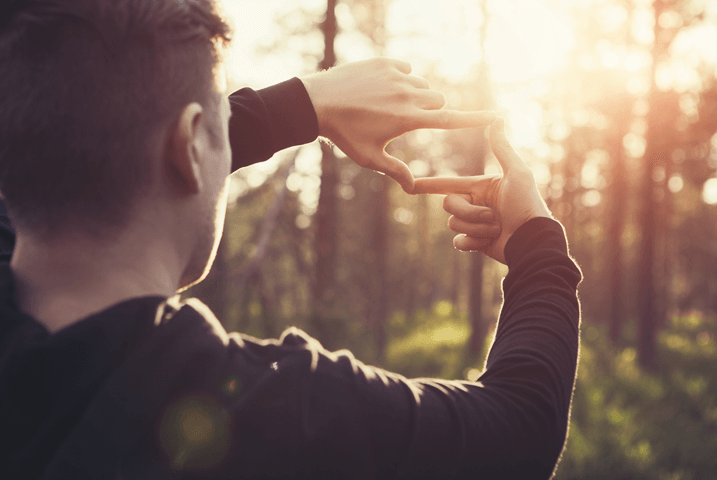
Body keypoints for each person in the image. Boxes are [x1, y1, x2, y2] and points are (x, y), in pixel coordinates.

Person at [0, 1, 581, 479]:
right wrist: (537, 249)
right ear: (191, 146)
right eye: (219, 132)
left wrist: (302, 105)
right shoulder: (271, 410)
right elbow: (520, 429)